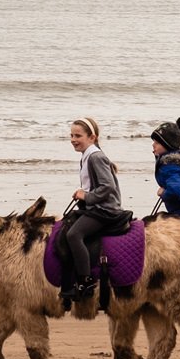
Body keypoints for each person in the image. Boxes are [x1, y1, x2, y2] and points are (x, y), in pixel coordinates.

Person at [58, 117, 128, 308]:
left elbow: (108, 187)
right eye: (71, 135)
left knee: (74, 234)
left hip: (106, 210)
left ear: (92, 137)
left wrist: (86, 196)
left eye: (78, 135)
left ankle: (85, 281)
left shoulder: (95, 156)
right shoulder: (87, 155)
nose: (73, 139)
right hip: (96, 207)